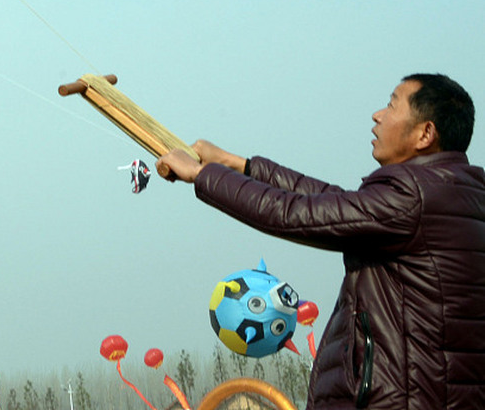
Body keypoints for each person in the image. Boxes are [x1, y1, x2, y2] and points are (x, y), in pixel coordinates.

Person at [159, 74, 485, 408]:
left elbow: (295, 213)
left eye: (391, 104)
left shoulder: (414, 198)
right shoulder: (455, 194)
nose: (378, 115)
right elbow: (334, 203)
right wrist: (238, 165)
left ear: (425, 134)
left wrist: (202, 176)